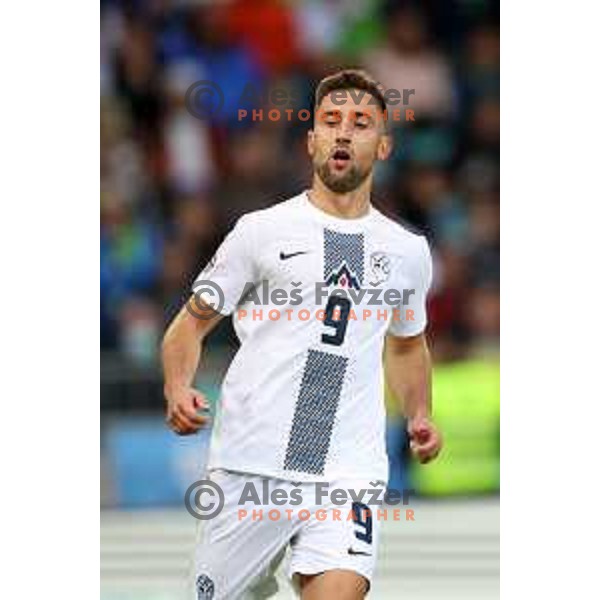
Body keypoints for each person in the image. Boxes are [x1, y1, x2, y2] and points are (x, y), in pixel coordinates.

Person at [162, 69, 442, 600]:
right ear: (311, 141)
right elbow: (187, 327)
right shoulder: (260, 231)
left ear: (382, 145)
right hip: (252, 466)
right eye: (331, 121)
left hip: (347, 471)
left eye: (360, 123)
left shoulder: (406, 251)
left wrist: (420, 413)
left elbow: (407, 343)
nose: (343, 132)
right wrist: (178, 387)